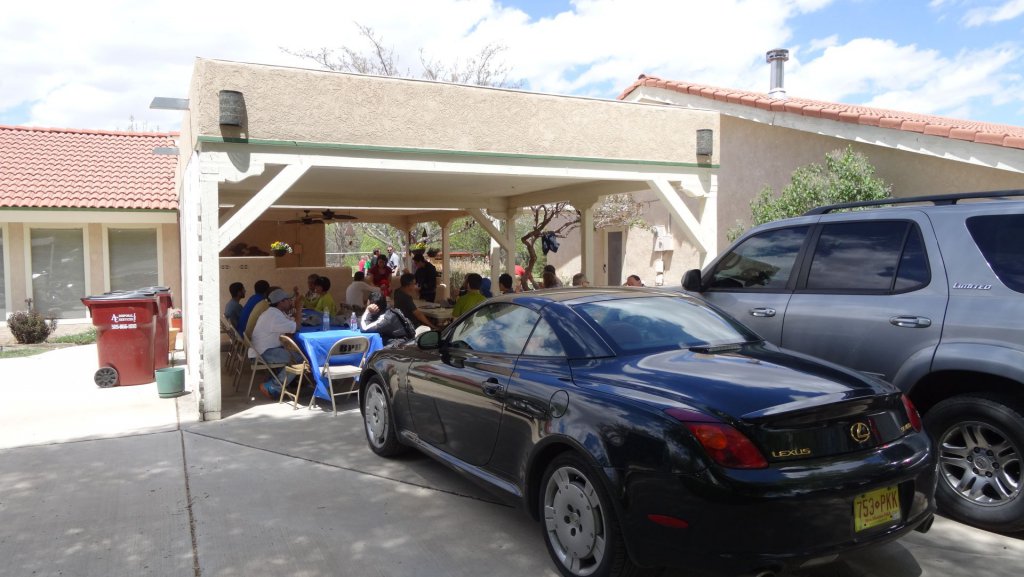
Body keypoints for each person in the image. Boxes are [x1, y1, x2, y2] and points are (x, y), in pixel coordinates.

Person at [251, 288, 303, 398]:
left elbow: (290, 322)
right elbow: (296, 327)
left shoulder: (273, 312)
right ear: (281, 302)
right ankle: (272, 387)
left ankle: (287, 381)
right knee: (299, 359)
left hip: (263, 349)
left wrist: (293, 312)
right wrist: (298, 309)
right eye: (288, 300)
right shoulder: (274, 316)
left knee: (294, 352)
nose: (290, 302)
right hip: (264, 353)